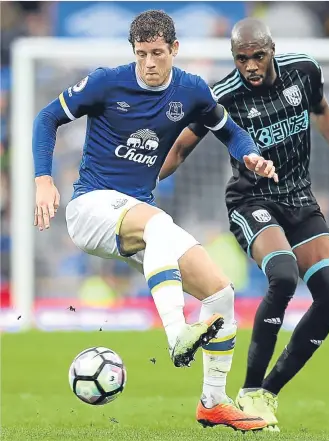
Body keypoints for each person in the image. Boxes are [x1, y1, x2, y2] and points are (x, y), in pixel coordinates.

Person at [32, 10, 279, 432]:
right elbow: (45, 118)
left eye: (158, 53)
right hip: (91, 208)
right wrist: (42, 179)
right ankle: (176, 333)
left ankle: (214, 402)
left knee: (220, 293)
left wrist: (250, 153)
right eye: (142, 53)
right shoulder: (107, 82)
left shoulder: (191, 90)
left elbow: (230, 131)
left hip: (140, 220)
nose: (149, 62)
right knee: (158, 222)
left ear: (174, 50)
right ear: (133, 52)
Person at [161, 18, 329, 431]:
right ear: (233, 57)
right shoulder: (221, 96)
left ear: (272, 48)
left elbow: (322, 110)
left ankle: (269, 391)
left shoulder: (304, 71)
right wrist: (137, 183)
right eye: (242, 58)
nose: (251, 65)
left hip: (299, 198)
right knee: (284, 275)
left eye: (258, 55)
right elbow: (182, 146)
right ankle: (249, 392)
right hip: (251, 200)